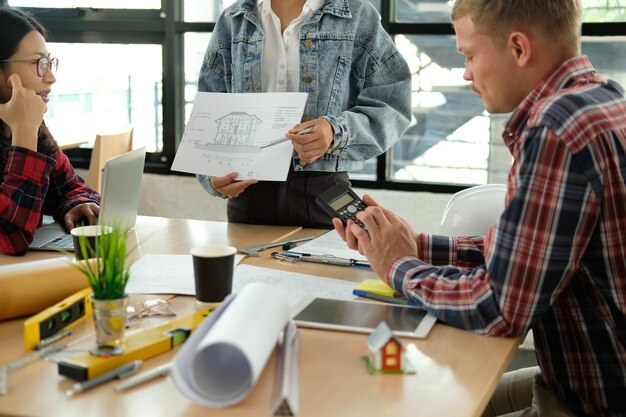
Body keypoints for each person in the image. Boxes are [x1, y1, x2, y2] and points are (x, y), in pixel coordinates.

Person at [334, 0, 626, 416]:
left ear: (519, 48)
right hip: (581, 377)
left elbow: (497, 311)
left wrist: (397, 267)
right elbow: (523, 258)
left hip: (593, 401)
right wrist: (412, 244)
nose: (466, 73)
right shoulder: (601, 100)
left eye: (469, 55)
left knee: (416, 402)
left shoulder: (556, 129)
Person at [196, 0, 412, 228]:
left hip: (323, 191)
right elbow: (209, 109)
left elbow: (393, 103)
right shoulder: (233, 19)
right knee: (246, 265)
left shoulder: (355, 13)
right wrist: (211, 177)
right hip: (247, 193)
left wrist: (335, 130)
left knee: (321, 265)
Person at [0, 7, 100, 256]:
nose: (51, 77)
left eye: (49, 62)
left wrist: (77, 204)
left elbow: (71, 187)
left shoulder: (32, 126)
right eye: (38, 63)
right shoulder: (26, 124)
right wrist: (24, 132)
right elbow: (10, 238)